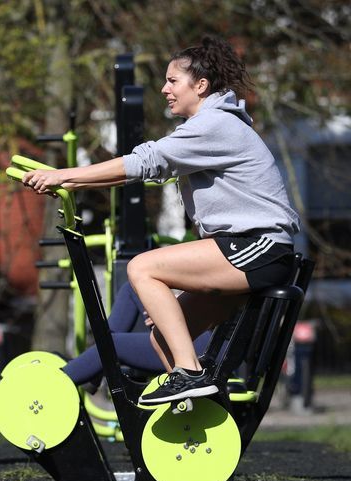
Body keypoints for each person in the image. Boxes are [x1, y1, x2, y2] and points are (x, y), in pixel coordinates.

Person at [23, 36, 300, 406]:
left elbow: (144, 162)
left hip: (257, 247)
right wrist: (68, 180)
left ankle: (189, 374)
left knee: (142, 268)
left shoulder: (215, 125)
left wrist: (63, 175)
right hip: (245, 249)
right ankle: (194, 416)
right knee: (162, 338)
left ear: (200, 86)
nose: (164, 88)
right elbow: (140, 170)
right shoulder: (212, 124)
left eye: (173, 81)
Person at [62, 281, 210, 390]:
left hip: (207, 342)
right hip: (199, 328)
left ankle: (61, 379)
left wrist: (177, 312)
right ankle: (93, 368)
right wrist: (172, 307)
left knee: (112, 344)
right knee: (133, 288)